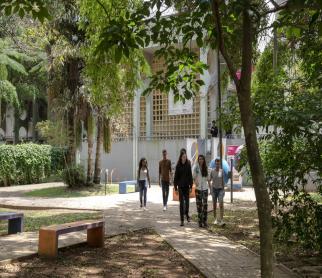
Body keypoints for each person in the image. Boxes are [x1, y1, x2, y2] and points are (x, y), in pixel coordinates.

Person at [174, 150, 193, 226]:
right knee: (181, 203)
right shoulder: (178, 165)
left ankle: (187, 214)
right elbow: (176, 177)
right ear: (181, 157)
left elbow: (190, 175)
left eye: (185, 157)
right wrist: (175, 188)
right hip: (180, 187)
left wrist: (191, 186)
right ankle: (182, 220)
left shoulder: (188, 164)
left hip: (187, 186)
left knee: (187, 203)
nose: (184, 158)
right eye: (183, 157)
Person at [192, 154, 210, 228]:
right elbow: (193, 176)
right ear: (198, 160)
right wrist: (195, 181)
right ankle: (200, 221)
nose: (201, 160)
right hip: (198, 189)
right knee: (199, 205)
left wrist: (210, 188)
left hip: (205, 189)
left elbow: (208, 179)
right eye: (199, 159)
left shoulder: (206, 167)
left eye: (202, 159)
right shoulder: (196, 167)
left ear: (204, 160)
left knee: (205, 205)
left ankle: (205, 221)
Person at [209, 158, 225, 226]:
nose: (217, 164)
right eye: (216, 163)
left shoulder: (221, 171)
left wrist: (224, 189)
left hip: (220, 190)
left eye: (218, 163)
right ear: (215, 164)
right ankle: (215, 219)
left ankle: (221, 220)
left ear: (220, 164)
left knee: (221, 204)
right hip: (214, 190)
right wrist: (210, 189)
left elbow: (222, 181)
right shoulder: (212, 171)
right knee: (214, 205)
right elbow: (209, 180)